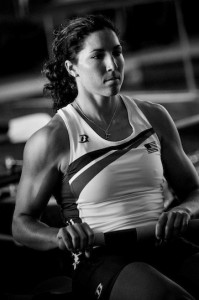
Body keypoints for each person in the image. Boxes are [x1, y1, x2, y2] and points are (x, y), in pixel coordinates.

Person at [12, 14, 199, 300]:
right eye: (98, 56)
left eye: (117, 52)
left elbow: (193, 191)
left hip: (163, 243)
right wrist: (58, 236)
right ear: (71, 68)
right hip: (101, 257)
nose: (112, 64)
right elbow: (21, 224)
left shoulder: (154, 117)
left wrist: (184, 210)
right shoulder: (53, 138)